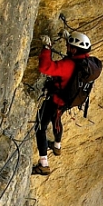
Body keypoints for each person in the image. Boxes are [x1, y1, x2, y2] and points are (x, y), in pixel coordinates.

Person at [33, 31, 93, 175]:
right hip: (69, 100)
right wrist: (69, 40)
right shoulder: (87, 63)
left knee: (40, 127)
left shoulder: (68, 65)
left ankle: (44, 164)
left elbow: (46, 67)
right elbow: (72, 59)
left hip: (56, 99)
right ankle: (57, 146)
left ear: (74, 49)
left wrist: (47, 48)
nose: (67, 47)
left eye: (69, 46)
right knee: (57, 119)